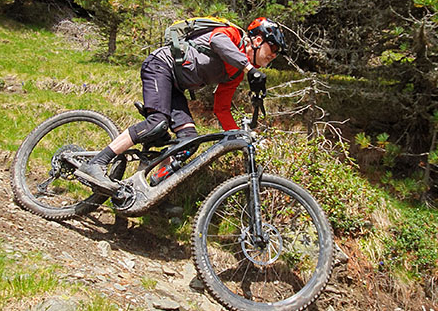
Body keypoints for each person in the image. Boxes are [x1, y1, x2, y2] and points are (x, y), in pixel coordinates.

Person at [75, 17, 286, 192]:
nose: (273, 55)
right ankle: (96, 163)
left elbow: (221, 109)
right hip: (160, 66)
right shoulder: (232, 35)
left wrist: (240, 137)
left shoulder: (235, 75)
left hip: (175, 87)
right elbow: (217, 42)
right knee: (157, 123)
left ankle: (152, 186)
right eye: (273, 48)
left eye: (277, 53)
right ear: (258, 40)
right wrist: (250, 69)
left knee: (188, 141)